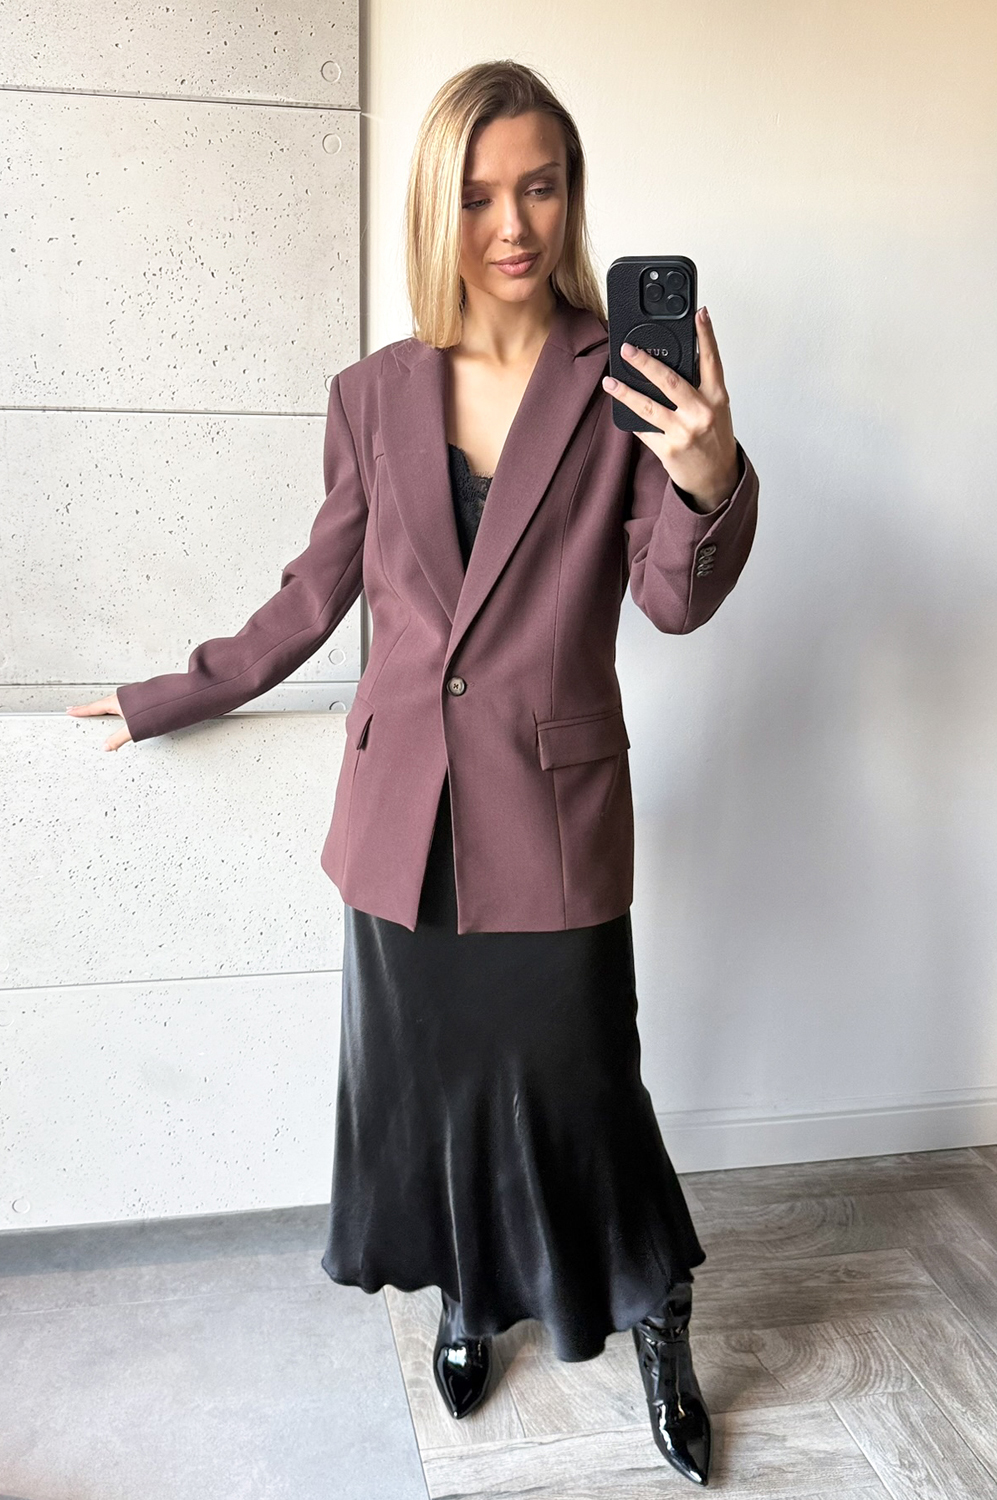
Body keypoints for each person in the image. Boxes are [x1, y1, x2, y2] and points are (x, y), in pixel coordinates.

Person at [67, 59, 758, 1489]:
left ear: (571, 198)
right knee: (434, 1093)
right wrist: (167, 696)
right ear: (436, 207)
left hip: (553, 816)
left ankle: (657, 1317)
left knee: (586, 1093)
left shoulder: (626, 378)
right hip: (401, 827)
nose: (512, 224)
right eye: (479, 194)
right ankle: (467, 1296)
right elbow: (311, 594)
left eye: (539, 188)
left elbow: (671, 601)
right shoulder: (372, 394)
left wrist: (709, 476)